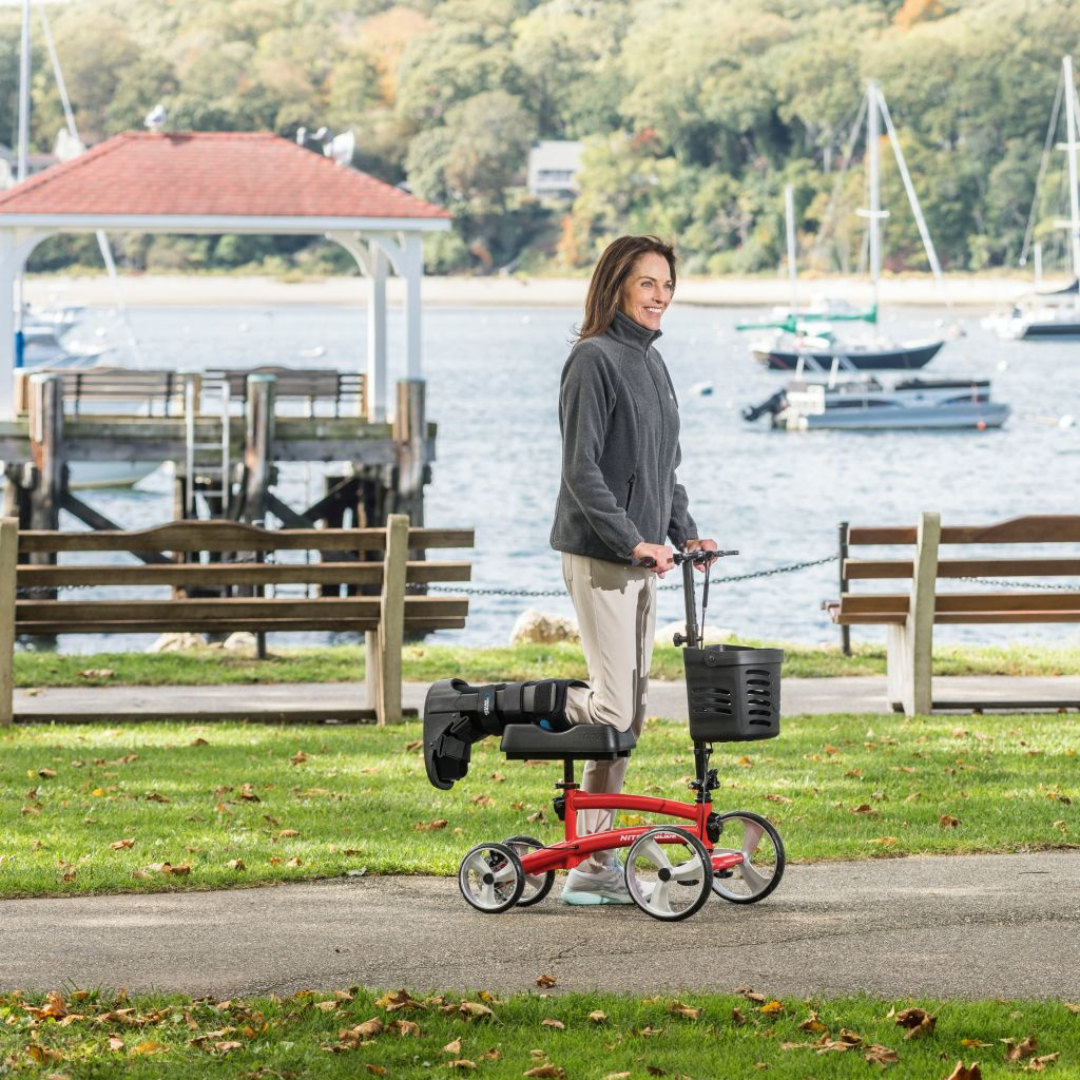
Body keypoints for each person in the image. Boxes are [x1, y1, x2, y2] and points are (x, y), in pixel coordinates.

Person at [422, 234, 715, 906]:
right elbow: (581, 472)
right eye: (647, 284)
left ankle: (591, 865)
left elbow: (665, 470)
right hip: (599, 553)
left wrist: (685, 536)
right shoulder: (592, 360)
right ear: (615, 285)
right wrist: (632, 540)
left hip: (641, 558)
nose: (660, 296)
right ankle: (472, 706)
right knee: (613, 706)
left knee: (626, 721)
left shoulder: (655, 365)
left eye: (667, 285)